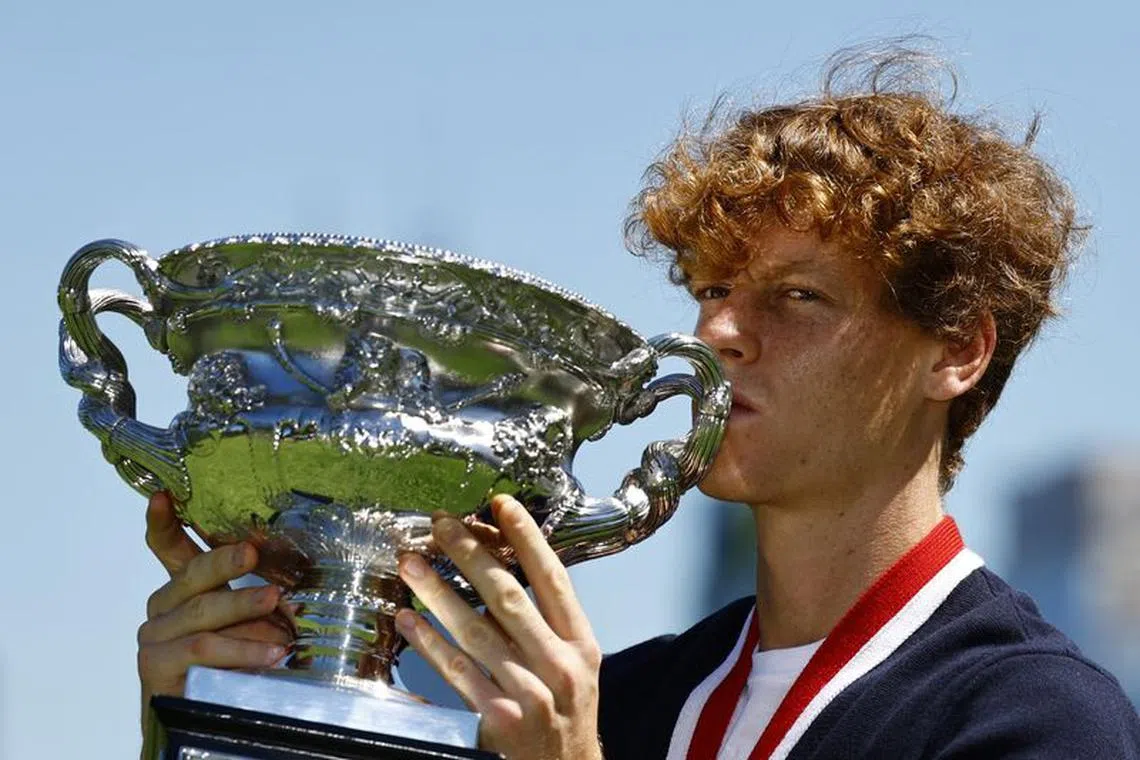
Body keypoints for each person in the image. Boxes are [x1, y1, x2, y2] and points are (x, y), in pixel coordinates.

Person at [136, 46, 1140, 759]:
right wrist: (215, 723)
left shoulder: (1037, 720)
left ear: (955, 351)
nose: (716, 336)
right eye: (711, 292)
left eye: (796, 296)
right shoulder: (627, 694)